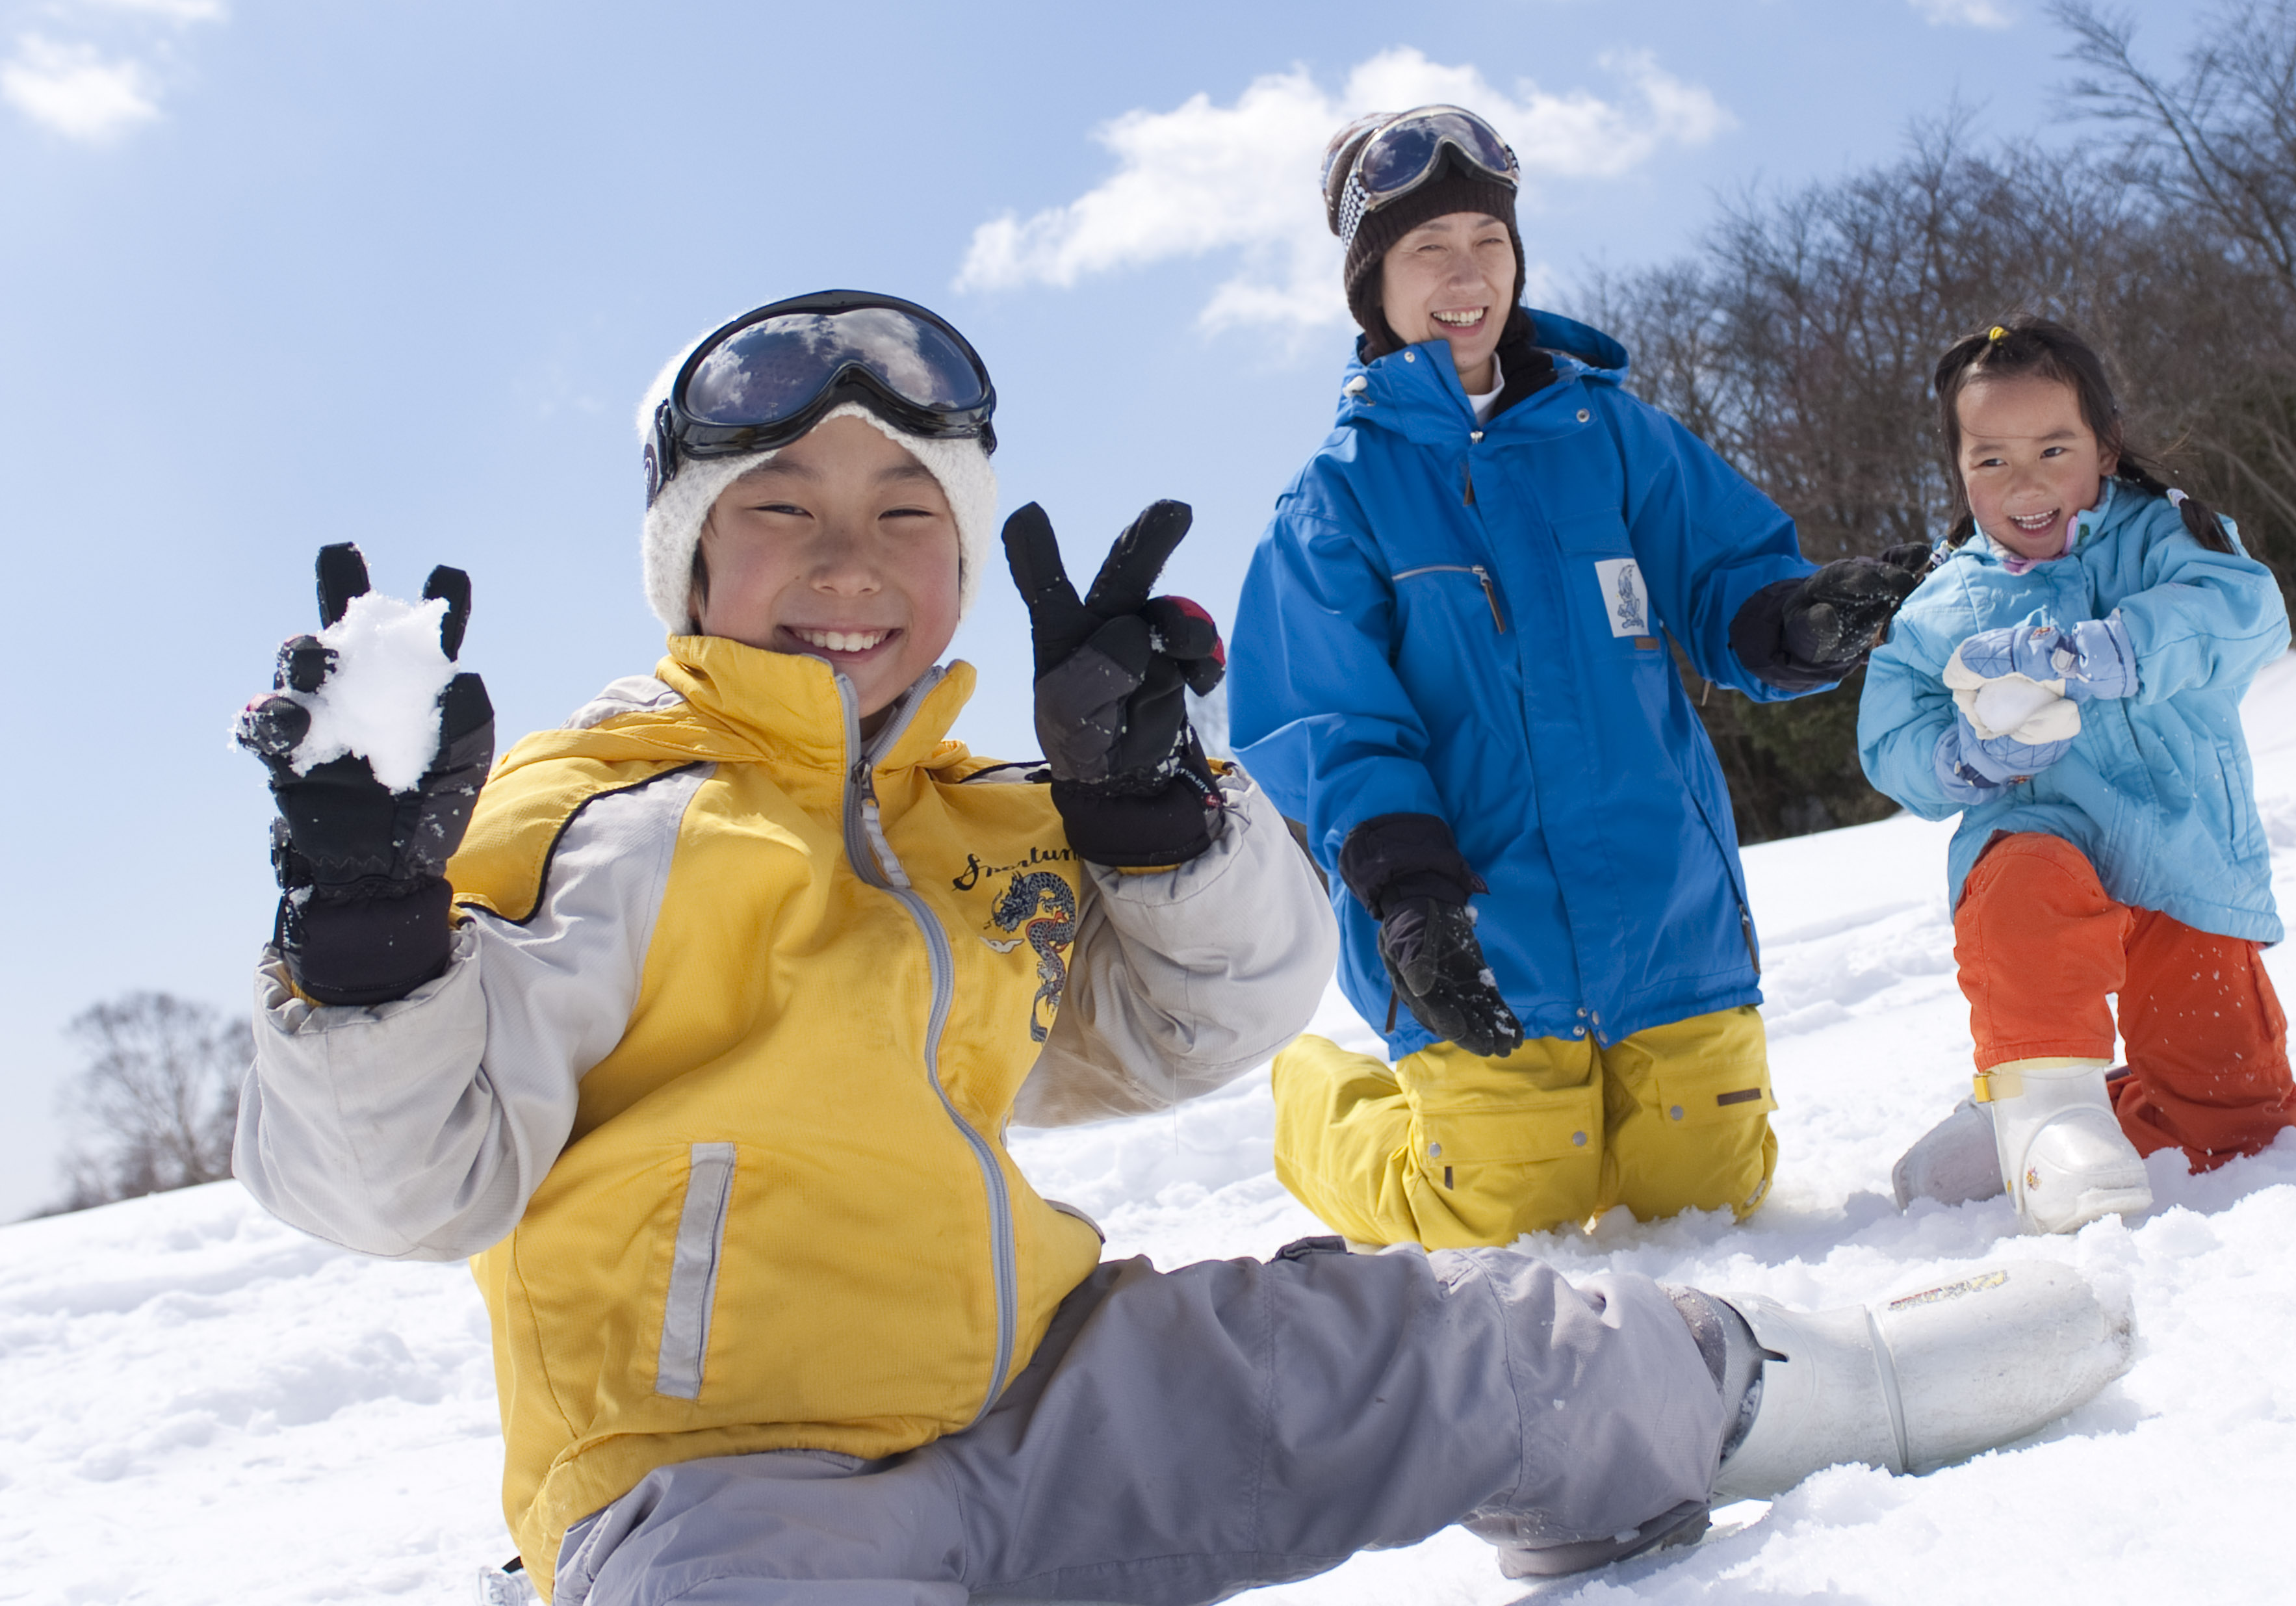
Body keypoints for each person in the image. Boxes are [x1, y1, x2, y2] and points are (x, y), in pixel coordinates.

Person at [229, 290, 2128, 1603]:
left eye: (909, 513)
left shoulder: (971, 816)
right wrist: (371, 939)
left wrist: (1156, 813)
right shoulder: (589, 811)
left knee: (1435, 1338)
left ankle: (1772, 1391)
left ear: (962, 566)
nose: (850, 562)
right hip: (722, 1491)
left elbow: (1213, 1022)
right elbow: (411, 1181)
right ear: (689, 565)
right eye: (782, 512)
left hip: (1046, 1396)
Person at [1232, 105, 1926, 1252]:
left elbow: (1728, 583)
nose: (1468, 276)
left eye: (1488, 242)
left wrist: (1798, 621)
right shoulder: (1339, 497)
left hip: (1666, 916)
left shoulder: (1611, 433)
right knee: (1502, 1218)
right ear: (1373, 284)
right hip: (1479, 928)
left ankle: (1607, 1110)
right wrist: (1410, 899)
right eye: (1427, 250)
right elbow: (1330, 718)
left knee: (1707, 1199)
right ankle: (1320, 1100)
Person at [1859, 316, 2296, 1236]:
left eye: (2052, 449)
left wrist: (2124, 642)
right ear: (1957, 468)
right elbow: (1890, 737)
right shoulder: (1941, 605)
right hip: (2039, 842)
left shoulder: (2166, 535)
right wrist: (1961, 756)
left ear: (2104, 447)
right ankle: (2050, 1114)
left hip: (2182, 857)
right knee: (2025, 890)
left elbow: (2247, 610)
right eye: (1990, 460)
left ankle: (2027, 1119)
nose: (2024, 484)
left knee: (2239, 1126)